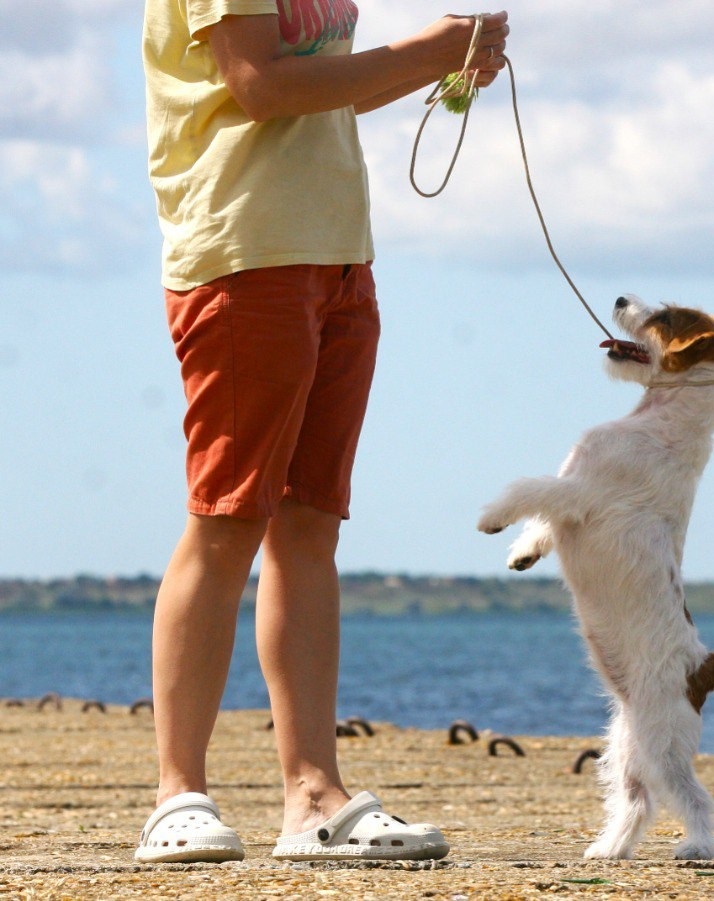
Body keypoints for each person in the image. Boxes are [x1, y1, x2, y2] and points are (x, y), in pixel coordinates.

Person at [136, 0, 509, 864]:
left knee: (309, 523)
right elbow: (260, 83)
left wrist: (435, 62)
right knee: (227, 517)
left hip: (338, 252)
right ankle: (177, 795)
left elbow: (323, 87)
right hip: (244, 249)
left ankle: (313, 797)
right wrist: (429, 49)